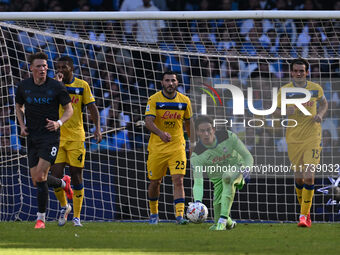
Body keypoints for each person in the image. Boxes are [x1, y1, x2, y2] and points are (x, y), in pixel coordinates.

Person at [15, 52, 74, 229]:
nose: (43, 69)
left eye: (45, 66)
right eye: (39, 66)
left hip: (50, 137)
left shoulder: (56, 86)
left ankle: (41, 219)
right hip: (32, 136)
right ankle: (63, 182)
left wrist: (58, 123)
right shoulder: (23, 86)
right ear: (31, 68)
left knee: (40, 176)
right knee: (36, 180)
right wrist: (21, 125)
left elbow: (69, 109)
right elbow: (18, 106)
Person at [275, 58, 328, 227]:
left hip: (312, 137)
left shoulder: (315, 89)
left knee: (309, 177)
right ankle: (306, 211)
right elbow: (275, 112)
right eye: (296, 71)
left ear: (307, 72)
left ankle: (303, 217)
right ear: (291, 72)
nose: (299, 73)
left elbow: (324, 103)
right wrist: (284, 110)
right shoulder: (284, 91)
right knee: (299, 180)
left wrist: (320, 114)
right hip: (293, 139)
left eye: (302, 71)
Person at [51, 56, 102, 227]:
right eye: (57, 67)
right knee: (55, 175)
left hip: (76, 137)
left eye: (63, 67)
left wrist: (98, 128)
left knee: (76, 175)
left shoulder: (82, 85)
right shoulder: (52, 85)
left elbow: (92, 107)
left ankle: (77, 217)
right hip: (56, 136)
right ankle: (64, 206)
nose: (60, 70)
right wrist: (57, 85)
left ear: (71, 68)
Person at [145, 71, 193, 224]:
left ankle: (179, 216)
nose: (170, 83)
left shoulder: (185, 101)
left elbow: (189, 124)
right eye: (167, 80)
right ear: (162, 83)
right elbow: (148, 121)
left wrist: (193, 143)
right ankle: (154, 214)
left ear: (177, 82)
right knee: (155, 182)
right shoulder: (154, 100)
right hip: (157, 148)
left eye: (173, 80)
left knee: (178, 180)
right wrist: (160, 133)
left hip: (177, 146)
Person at [190, 115, 253, 230]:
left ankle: (223, 220)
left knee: (227, 177)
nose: (206, 134)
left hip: (238, 167)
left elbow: (247, 156)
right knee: (216, 218)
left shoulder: (227, 136)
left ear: (213, 129)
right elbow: (198, 182)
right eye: (202, 131)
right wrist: (198, 202)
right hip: (218, 180)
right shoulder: (197, 155)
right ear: (197, 132)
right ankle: (228, 222)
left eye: (208, 130)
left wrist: (247, 169)